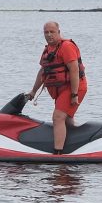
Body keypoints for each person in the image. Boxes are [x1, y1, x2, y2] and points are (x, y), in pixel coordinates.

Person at [28, 21, 87, 154]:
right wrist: (33, 91)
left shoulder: (66, 47)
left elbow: (74, 70)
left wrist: (74, 94)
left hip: (74, 87)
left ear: (59, 32)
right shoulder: (48, 49)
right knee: (66, 120)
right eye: (46, 32)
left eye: (52, 32)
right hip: (60, 90)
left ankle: (58, 153)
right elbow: (43, 71)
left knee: (58, 117)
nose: (49, 35)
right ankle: (78, 144)